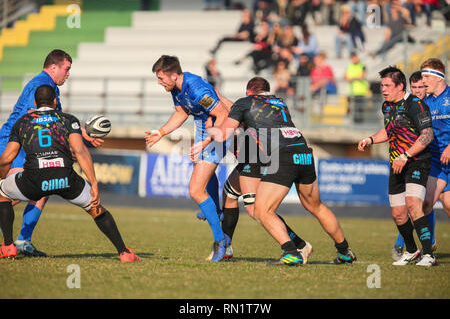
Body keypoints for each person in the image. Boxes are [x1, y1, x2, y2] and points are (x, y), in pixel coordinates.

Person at [208, 77, 356, 266]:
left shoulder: (245, 102)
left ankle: (292, 251)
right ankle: (345, 252)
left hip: (283, 155)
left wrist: (209, 131)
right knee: (317, 207)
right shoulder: (280, 103)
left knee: (261, 211)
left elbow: (223, 134)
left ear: (248, 92)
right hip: (303, 152)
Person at [0, 85, 140, 262]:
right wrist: (94, 183)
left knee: (2, 194)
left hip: (34, 179)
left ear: (35, 103)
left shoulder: (23, 122)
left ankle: (7, 246)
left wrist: (3, 177)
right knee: (96, 209)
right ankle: (124, 252)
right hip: (65, 178)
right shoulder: (67, 119)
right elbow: (80, 151)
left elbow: (6, 158)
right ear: (54, 102)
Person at [0, 49, 103, 257]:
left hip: (24, 142)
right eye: (66, 69)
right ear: (53, 67)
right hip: (15, 143)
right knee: (23, 189)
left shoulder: (50, 87)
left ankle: (22, 241)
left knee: (41, 188)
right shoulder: (41, 85)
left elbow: (56, 121)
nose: (68, 73)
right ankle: (14, 242)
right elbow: (34, 119)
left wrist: (81, 134)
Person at [145, 55, 230, 262]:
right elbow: (181, 113)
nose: (159, 82)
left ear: (174, 75)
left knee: (195, 189)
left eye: (161, 78)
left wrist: (205, 142)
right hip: (204, 129)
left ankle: (221, 241)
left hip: (218, 131)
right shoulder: (176, 88)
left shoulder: (197, 89)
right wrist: (161, 132)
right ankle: (217, 211)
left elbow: (224, 115)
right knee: (201, 178)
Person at [358, 66, 436, 267]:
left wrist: (406, 155)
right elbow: (389, 130)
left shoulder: (416, 105)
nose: (383, 89)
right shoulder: (387, 106)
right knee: (398, 213)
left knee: (413, 203)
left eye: (387, 85)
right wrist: (370, 139)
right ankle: (411, 251)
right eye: (382, 85)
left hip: (416, 161)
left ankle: (428, 254)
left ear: (400, 86)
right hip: (396, 163)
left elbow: (427, 135)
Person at [391, 70, 438, 260]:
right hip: (415, 156)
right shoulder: (405, 104)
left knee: (421, 204)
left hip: (431, 157)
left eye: (422, 87)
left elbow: (430, 133)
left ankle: (426, 244)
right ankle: (409, 246)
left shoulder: (430, 104)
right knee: (414, 205)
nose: (418, 91)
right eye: (415, 87)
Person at [420, 59, 450, 218]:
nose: (423, 81)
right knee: (425, 205)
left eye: (426, 76)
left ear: (439, 77)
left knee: (448, 204)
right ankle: (423, 243)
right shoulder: (425, 103)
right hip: (437, 162)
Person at [344, 52, 369, 123]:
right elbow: (345, 76)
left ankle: (359, 124)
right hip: (351, 91)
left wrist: (352, 78)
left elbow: (362, 76)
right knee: (351, 108)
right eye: (352, 58)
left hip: (360, 91)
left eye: (354, 57)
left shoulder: (362, 65)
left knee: (359, 109)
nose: (353, 59)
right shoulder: (349, 66)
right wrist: (350, 78)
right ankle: (352, 123)